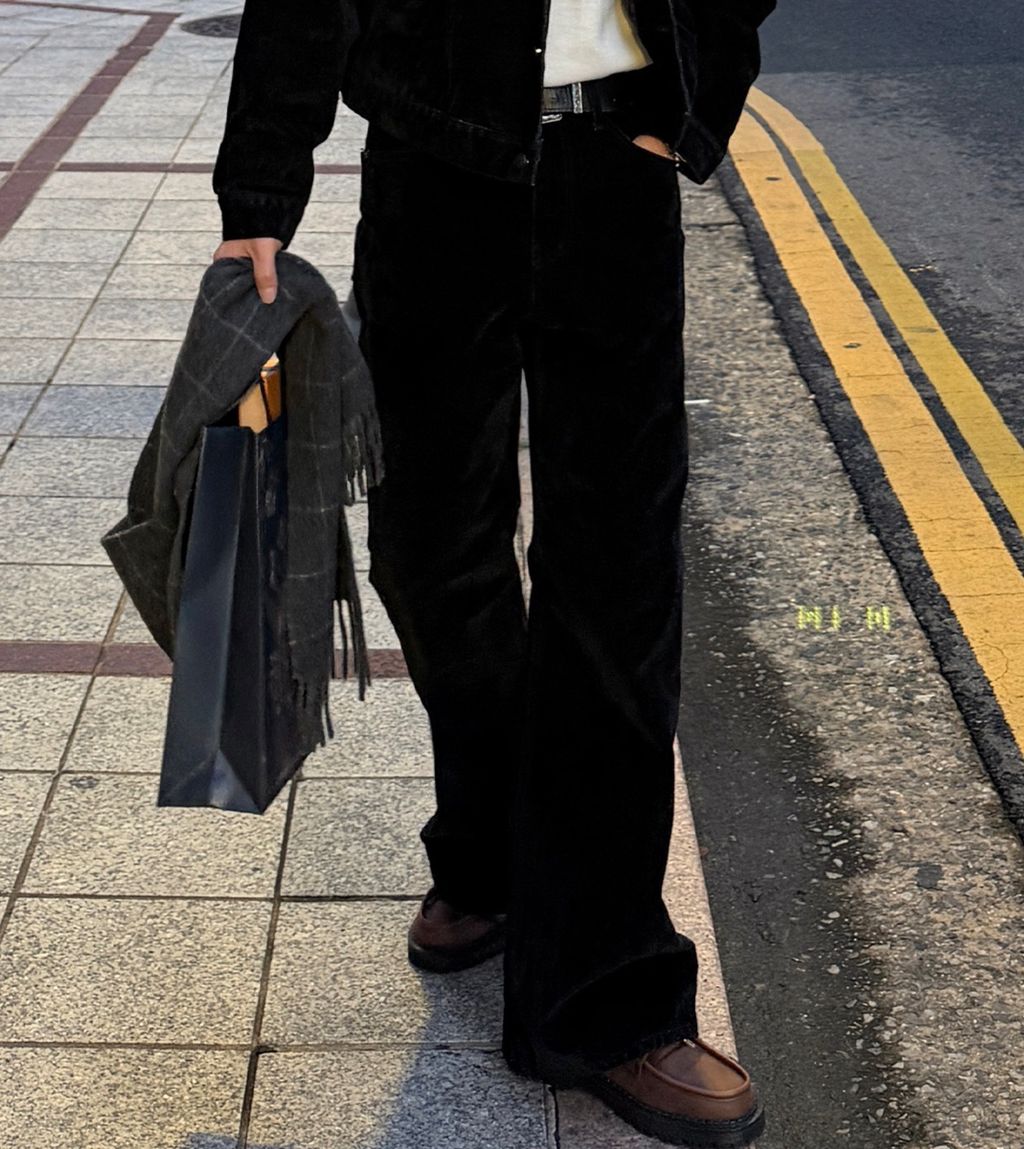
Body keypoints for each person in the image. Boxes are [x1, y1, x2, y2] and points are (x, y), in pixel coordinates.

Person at [212, 0, 775, 1143]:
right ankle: (488, 853)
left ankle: (610, 1000)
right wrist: (261, 189)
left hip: (615, 166)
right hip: (432, 167)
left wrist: (692, 108)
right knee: (428, 552)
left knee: (614, 584)